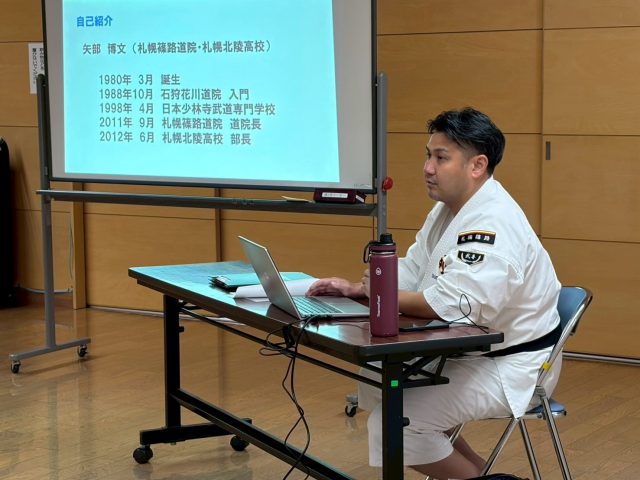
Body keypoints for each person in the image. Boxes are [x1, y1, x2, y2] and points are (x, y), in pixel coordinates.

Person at [306, 107, 562, 479]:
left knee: (394, 424)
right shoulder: (449, 210)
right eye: (428, 155)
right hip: (474, 351)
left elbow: (458, 306)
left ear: (477, 166)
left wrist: (378, 296)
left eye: (441, 158)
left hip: (513, 363)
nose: (427, 168)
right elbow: (413, 272)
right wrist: (359, 289)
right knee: (378, 384)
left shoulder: (494, 222)